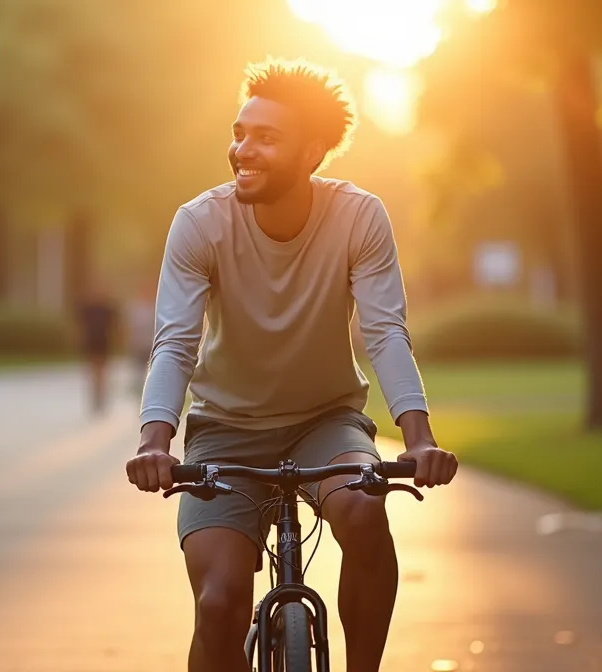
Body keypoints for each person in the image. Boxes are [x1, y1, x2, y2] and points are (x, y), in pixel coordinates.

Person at [124, 58, 459, 672]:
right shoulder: (200, 223)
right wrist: (155, 442)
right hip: (225, 429)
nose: (242, 150)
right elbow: (175, 343)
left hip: (325, 421)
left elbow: (384, 333)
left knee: (362, 511)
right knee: (220, 603)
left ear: (311, 153)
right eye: (240, 133)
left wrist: (420, 439)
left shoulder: (359, 217)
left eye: (266, 139)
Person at [75, 281, 119, 415]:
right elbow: (79, 325)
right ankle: (95, 398)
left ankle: (102, 398)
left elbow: (115, 326)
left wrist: (117, 340)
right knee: (93, 372)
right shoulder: (86, 308)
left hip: (103, 341)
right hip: (91, 342)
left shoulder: (108, 308)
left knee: (102, 373)